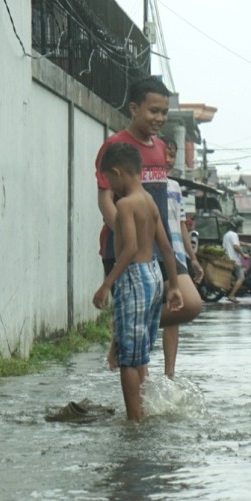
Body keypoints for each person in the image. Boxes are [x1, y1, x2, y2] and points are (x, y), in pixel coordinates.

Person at [95, 75, 202, 366]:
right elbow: (105, 197)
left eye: (164, 112)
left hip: (161, 244)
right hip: (126, 249)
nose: (159, 118)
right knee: (136, 360)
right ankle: (137, 404)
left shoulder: (158, 148)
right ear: (133, 108)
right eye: (153, 111)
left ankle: (125, 326)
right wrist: (126, 232)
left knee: (191, 304)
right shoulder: (115, 146)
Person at [93, 142, 184, 421]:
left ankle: (134, 420)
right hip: (154, 275)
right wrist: (175, 286)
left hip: (133, 278)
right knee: (139, 354)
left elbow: (130, 247)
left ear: (118, 173)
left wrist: (107, 283)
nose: (110, 186)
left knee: (127, 361)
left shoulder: (125, 205)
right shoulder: (148, 201)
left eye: (109, 179)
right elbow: (166, 247)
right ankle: (144, 411)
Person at [160, 136, 204, 378]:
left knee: (175, 311)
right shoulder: (144, 185)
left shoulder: (175, 188)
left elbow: (182, 225)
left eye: (171, 155)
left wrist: (192, 258)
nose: (168, 160)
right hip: (154, 254)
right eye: (164, 153)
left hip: (176, 254)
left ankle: (170, 373)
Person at [222, 218, 248, 303]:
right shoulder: (234, 234)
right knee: (241, 277)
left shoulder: (227, 235)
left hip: (227, 259)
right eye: (240, 225)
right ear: (236, 226)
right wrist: (243, 254)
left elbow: (237, 243)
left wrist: (248, 245)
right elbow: (236, 246)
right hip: (233, 260)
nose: (240, 227)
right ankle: (231, 295)